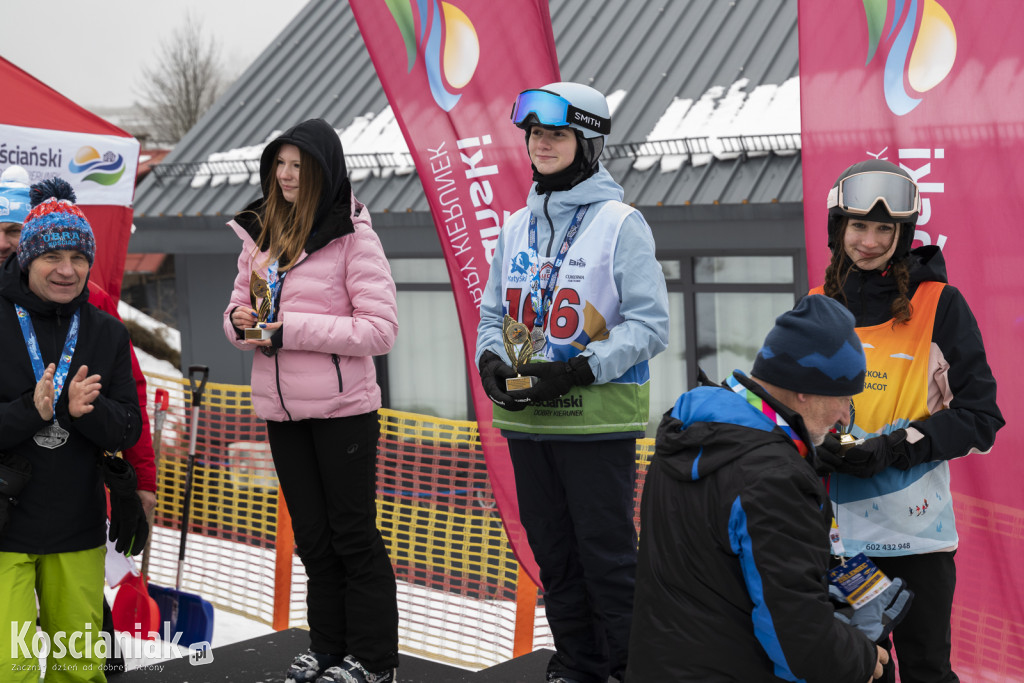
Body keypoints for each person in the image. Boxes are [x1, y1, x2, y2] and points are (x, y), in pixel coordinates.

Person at [475, 83, 670, 683]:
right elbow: (490, 317)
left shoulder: (620, 224)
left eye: (556, 134)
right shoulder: (515, 228)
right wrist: (490, 363)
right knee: (554, 558)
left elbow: (649, 325)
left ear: (586, 142)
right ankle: (577, 666)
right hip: (527, 425)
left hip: (594, 425)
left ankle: (629, 669)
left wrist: (578, 368)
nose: (542, 144)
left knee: (607, 560)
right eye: (535, 134)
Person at [627, 294, 890, 682]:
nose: (844, 417)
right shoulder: (773, 476)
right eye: (844, 397)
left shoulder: (687, 432)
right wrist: (862, 660)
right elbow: (797, 641)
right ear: (804, 389)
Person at [811, 159, 1004, 683]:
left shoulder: (940, 303)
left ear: (903, 233)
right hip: (838, 539)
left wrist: (895, 447)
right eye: (858, 226)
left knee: (925, 671)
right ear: (838, 229)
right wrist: (813, 446)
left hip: (918, 536)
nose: (869, 241)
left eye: (884, 229)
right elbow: (791, 409)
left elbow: (980, 416)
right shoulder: (818, 305)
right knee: (855, 672)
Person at [223, 118, 399, 683]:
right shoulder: (260, 235)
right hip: (282, 412)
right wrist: (240, 320)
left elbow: (379, 331)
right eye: (280, 163)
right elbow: (235, 317)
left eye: (299, 165)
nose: (287, 174)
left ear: (325, 171)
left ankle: (373, 662)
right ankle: (328, 650)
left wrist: (286, 328)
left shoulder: (355, 236)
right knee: (314, 540)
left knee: (353, 535)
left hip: (343, 413)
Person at [1, 166, 158, 675]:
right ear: (27, 259)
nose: (66, 269)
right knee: (13, 668)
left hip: (78, 528)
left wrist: (80, 412)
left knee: (79, 669)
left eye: (77, 257)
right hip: (5, 529)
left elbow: (128, 427)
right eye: (52, 256)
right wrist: (33, 411)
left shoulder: (107, 332)